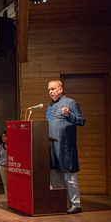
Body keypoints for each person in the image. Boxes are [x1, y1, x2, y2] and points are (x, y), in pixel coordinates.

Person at [46, 79, 85, 214]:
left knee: (69, 176)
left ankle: (76, 204)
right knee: (54, 175)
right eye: (49, 89)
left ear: (61, 89)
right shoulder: (49, 106)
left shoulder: (70, 103)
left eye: (53, 89)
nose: (51, 92)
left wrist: (69, 115)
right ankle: (59, 203)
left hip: (65, 147)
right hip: (51, 146)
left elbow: (81, 121)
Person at [0, 131, 7, 198]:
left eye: (5, 136)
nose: (3, 138)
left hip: (10, 166)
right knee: (5, 183)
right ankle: (6, 196)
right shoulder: (0, 146)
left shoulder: (13, 145)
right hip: (2, 166)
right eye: (2, 137)